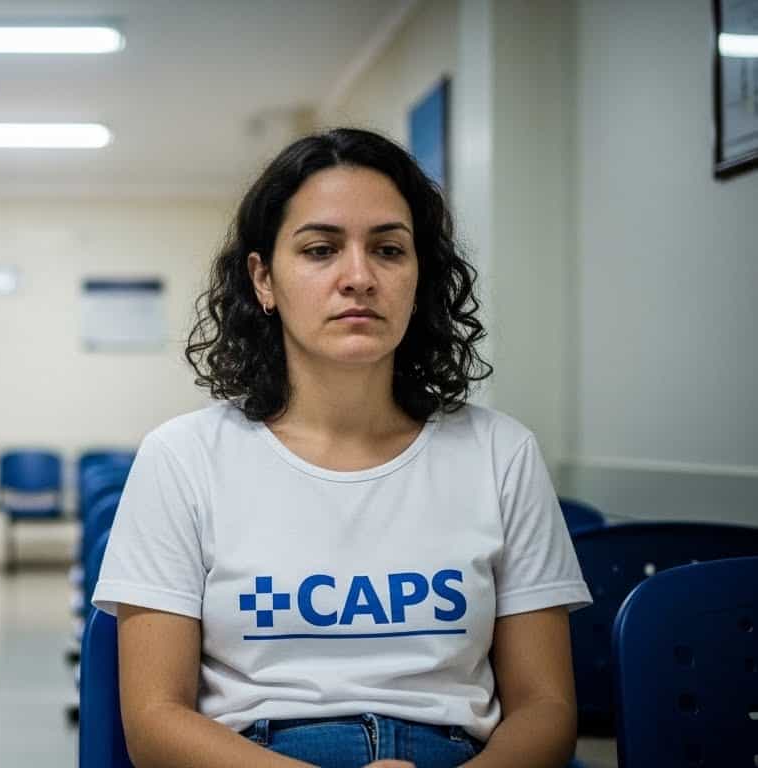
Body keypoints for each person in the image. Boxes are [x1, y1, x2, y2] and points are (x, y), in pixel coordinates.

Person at [91, 128, 591, 768]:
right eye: (321, 249)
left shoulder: (501, 453)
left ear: (419, 277)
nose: (358, 277)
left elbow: (547, 709)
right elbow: (155, 721)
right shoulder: (182, 458)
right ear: (263, 280)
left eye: (388, 249)